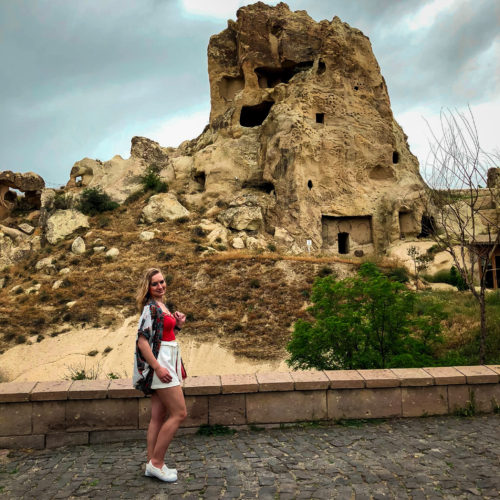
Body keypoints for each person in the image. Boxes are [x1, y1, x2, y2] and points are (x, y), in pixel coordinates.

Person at [132, 267, 187, 482]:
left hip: (168, 361)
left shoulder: (162, 306)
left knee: (157, 417)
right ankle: (157, 462)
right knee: (179, 413)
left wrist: (178, 324)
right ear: (148, 287)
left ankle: (150, 464)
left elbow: (165, 334)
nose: (160, 286)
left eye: (162, 281)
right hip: (162, 364)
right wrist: (157, 367)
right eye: (154, 283)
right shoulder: (150, 308)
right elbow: (142, 341)